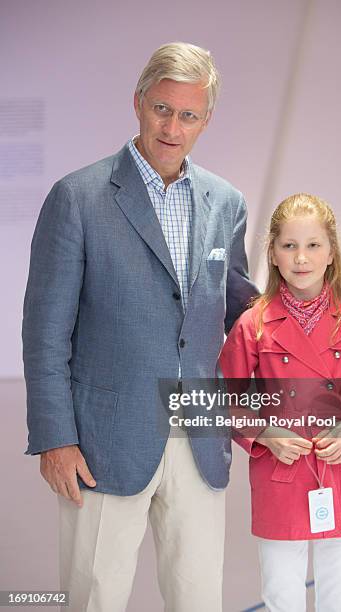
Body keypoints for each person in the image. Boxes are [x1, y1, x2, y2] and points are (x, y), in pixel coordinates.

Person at [22, 42, 257, 612]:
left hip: (199, 435)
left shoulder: (226, 203)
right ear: (137, 103)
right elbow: (44, 331)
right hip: (105, 440)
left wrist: (317, 315)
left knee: (199, 598)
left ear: (207, 120)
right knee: (92, 598)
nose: (172, 127)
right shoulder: (76, 198)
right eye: (161, 109)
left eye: (188, 115)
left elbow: (244, 312)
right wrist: (55, 437)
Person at [218, 193, 341, 612]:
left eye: (313, 245)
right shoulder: (252, 324)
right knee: (281, 596)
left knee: (339, 596)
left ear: (331, 252)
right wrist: (264, 433)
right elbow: (221, 399)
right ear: (273, 254)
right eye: (289, 245)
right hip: (279, 470)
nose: (301, 257)